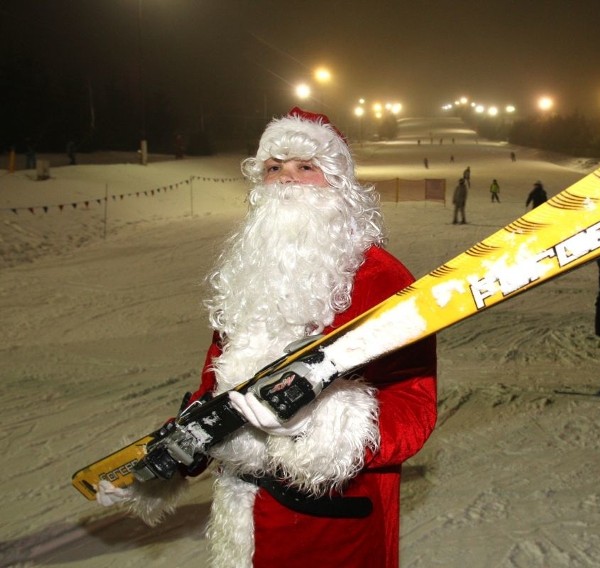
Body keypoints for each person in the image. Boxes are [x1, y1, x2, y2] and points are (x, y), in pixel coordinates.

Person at [95, 107, 439, 568]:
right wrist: (167, 462)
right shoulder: (249, 272)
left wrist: (318, 425)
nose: (286, 181)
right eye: (274, 168)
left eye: (305, 167)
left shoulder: (382, 279)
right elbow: (215, 384)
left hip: (334, 526)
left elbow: (414, 407)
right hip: (244, 517)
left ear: (338, 182)